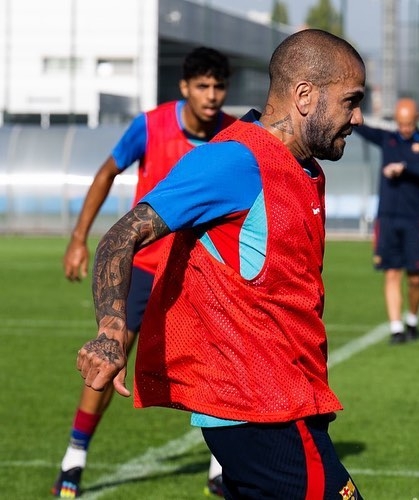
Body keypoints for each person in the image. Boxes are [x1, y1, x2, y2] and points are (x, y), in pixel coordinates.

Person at [75, 29, 366, 499]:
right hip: (262, 408)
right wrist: (111, 334)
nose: (357, 116)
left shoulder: (306, 169)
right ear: (306, 96)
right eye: (350, 101)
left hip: (289, 398)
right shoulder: (235, 160)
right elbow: (122, 236)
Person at [53, 46, 237, 498]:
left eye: (218, 86)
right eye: (202, 86)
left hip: (200, 269)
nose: (211, 96)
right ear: (184, 88)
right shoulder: (151, 125)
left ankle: (220, 464)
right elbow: (106, 173)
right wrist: (79, 238)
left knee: (221, 360)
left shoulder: (235, 134)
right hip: (142, 265)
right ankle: (74, 457)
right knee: (111, 352)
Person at [353, 98, 419, 344]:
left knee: (414, 277)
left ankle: (412, 319)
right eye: (401, 123)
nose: (404, 128)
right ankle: (396, 328)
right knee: (391, 273)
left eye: (409, 123)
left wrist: (404, 167)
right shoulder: (388, 140)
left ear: (417, 118)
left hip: (414, 219)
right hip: (388, 219)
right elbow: (362, 129)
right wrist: (352, 107)